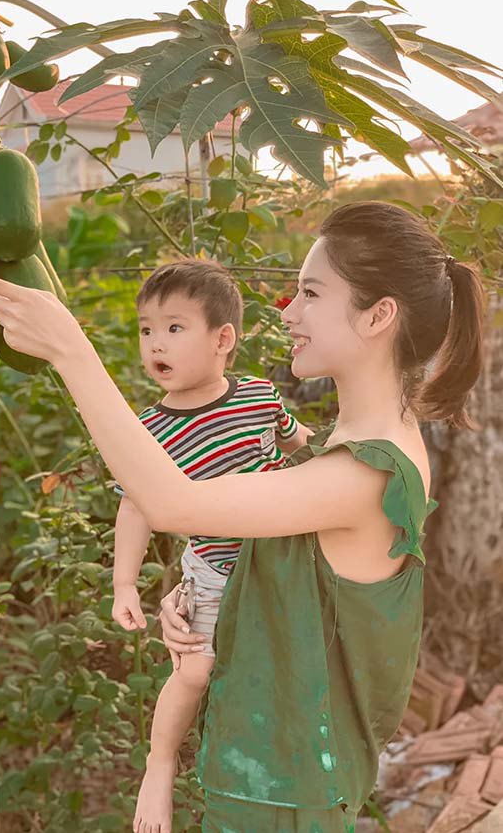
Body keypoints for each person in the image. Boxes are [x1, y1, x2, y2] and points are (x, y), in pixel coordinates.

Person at [0, 201, 485, 833]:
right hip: (273, 776)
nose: (287, 313)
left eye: (310, 294)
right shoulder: (342, 451)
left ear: (377, 316)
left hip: (285, 796)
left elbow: (172, 502)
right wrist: (203, 592)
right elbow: (285, 573)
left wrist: (72, 350)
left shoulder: (365, 476)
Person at [110, 259, 310, 833]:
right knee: (196, 672)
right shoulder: (148, 429)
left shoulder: (258, 395)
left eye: (174, 327)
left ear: (223, 339)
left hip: (281, 559)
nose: (155, 342)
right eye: (146, 329)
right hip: (216, 567)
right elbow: (134, 506)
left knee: (283, 666)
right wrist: (125, 583)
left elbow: (301, 448)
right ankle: (161, 762)